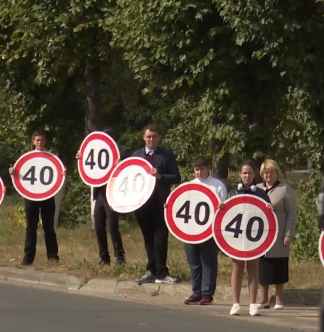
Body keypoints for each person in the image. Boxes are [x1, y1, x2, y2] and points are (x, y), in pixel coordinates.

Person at [171, 156, 227, 305]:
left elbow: (224, 207)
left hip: (209, 230)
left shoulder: (217, 185)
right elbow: (180, 204)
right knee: (194, 262)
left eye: (202, 169)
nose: (199, 172)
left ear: (208, 168)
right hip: (190, 230)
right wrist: (169, 207)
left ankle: (207, 293)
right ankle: (196, 292)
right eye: (196, 169)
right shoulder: (189, 185)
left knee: (208, 262)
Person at [220, 160, 273, 316]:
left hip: (254, 237)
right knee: (237, 268)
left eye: (250, 173)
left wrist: (270, 209)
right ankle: (235, 303)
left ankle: (252, 304)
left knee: (253, 269)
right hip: (236, 236)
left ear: (254, 174)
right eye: (244, 173)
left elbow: (268, 218)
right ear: (239, 174)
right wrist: (222, 208)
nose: (247, 176)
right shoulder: (232, 193)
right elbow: (226, 216)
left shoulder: (261, 194)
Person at [132, 124, 181, 284]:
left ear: (159, 138)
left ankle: (162, 272)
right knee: (148, 238)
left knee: (161, 237)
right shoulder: (136, 156)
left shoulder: (166, 155)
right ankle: (151, 270)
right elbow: (127, 178)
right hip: (142, 203)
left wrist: (160, 177)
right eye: (148, 137)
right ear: (143, 138)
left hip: (161, 202)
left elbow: (176, 177)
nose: (151, 139)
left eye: (154, 136)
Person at [10, 129, 63, 265]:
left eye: (42, 140)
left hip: (47, 196)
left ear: (46, 141)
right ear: (33, 141)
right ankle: (28, 258)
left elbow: (57, 173)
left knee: (49, 227)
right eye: (37, 140)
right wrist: (12, 172)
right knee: (30, 227)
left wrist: (63, 173)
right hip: (31, 196)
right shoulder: (27, 158)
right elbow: (19, 174)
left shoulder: (51, 157)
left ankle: (53, 256)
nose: (40, 142)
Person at [76, 128, 126, 266]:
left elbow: (125, 164)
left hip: (112, 193)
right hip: (99, 193)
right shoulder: (98, 150)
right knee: (98, 226)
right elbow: (88, 162)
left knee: (112, 226)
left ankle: (120, 256)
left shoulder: (118, 153)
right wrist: (81, 157)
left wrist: (119, 162)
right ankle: (104, 257)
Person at [256, 159, 298, 310]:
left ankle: (279, 300)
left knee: (279, 266)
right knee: (262, 267)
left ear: (277, 173)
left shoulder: (284, 189)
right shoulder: (257, 189)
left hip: (279, 236)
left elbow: (292, 214)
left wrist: (288, 234)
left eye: (271, 172)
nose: (269, 175)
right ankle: (263, 299)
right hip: (260, 237)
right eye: (266, 173)